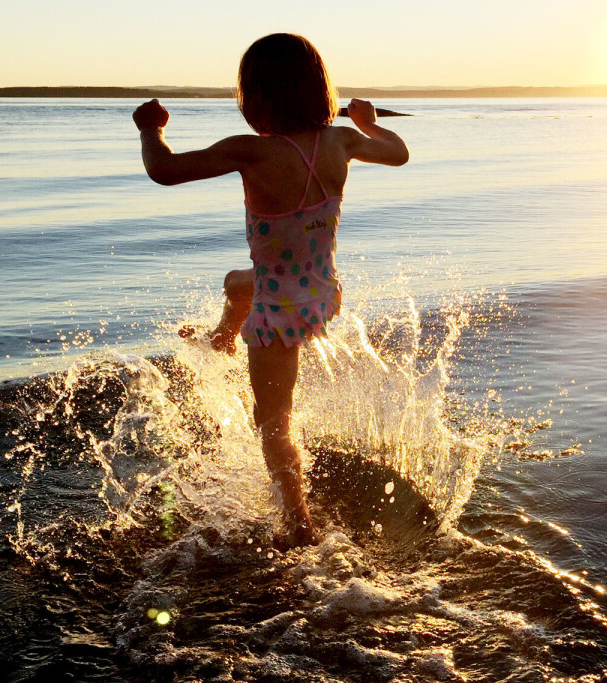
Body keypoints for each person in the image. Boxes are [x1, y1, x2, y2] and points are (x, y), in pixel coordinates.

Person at [133, 33, 409, 546]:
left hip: (278, 315)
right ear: (320, 90)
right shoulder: (340, 141)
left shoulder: (251, 153)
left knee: (272, 423)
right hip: (321, 290)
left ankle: (297, 524)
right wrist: (366, 121)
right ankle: (222, 337)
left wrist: (150, 130)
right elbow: (399, 153)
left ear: (254, 98)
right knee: (236, 283)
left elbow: (164, 170)